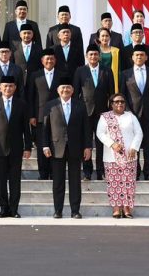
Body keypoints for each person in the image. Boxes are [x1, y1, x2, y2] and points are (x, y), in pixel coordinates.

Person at [41, 76, 91, 219]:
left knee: (75, 181)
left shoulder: (80, 105)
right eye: (63, 88)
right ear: (58, 90)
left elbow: (86, 128)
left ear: (73, 90)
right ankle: (58, 210)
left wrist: (88, 147)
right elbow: (45, 128)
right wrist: (45, 146)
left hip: (76, 148)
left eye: (68, 88)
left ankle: (75, 210)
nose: (65, 90)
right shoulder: (50, 105)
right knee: (58, 182)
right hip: (57, 148)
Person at [0, 76, 32, 218]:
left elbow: (26, 128)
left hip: (16, 148)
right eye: (5, 86)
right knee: (0, 180)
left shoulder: (22, 104)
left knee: (15, 180)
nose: (8, 89)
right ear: (0, 88)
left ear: (15, 88)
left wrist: (28, 147)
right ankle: (3, 208)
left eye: (11, 86)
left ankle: (14, 209)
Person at [97, 93, 142, 218]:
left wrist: (134, 147)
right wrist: (112, 144)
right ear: (111, 104)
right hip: (111, 156)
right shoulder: (105, 117)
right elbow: (100, 133)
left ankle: (127, 209)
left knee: (128, 182)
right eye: (116, 102)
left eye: (122, 101)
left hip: (129, 156)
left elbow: (139, 133)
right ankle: (116, 209)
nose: (119, 104)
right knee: (114, 183)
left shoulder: (131, 116)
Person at [74, 44, 115, 181]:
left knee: (101, 143)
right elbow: (75, 93)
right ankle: (87, 171)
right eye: (90, 54)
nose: (93, 57)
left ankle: (101, 171)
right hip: (85, 112)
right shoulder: (80, 71)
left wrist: (110, 112)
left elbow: (112, 94)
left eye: (95, 54)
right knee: (86, 142)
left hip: (102, 113)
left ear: (99, 56)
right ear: (87, 56)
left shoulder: (107, 71)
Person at [121, 44, 149, 181]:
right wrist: (127, 113)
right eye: (136, 55)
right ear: (132, 57)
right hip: (132, 115)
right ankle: (135, 171)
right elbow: (122, 95)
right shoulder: (125, 74)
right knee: (134, 144)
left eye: (141, 55)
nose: (139, 57)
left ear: (146, 57)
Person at [27, 49, 61, 180]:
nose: (49, 61)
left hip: (58, 116)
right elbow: (30, 96)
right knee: (42, 145)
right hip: (40, 116)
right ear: (42, 61)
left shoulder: (61, 75)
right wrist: (31, 115)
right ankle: (43, 173)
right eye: (47, 59)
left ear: (55, 60)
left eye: (52, 59)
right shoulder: (35, 75)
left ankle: (54, 173)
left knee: (55, 145)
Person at [0, 42, 24, 111]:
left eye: (6, 52)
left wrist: (22, 106)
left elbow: (21, 89)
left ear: (10, 53)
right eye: (2, 52)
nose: (4, 54)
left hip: (14, 105)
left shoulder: (17, 69)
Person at [96, 28, 121, 92]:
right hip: (98, 79)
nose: (105, 38)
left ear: (110, 37)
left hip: (112, 79)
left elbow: (119, 70)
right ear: (99, 38)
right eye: (103, 36)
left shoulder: (116, 51)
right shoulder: (95, 51)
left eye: (107, 36)